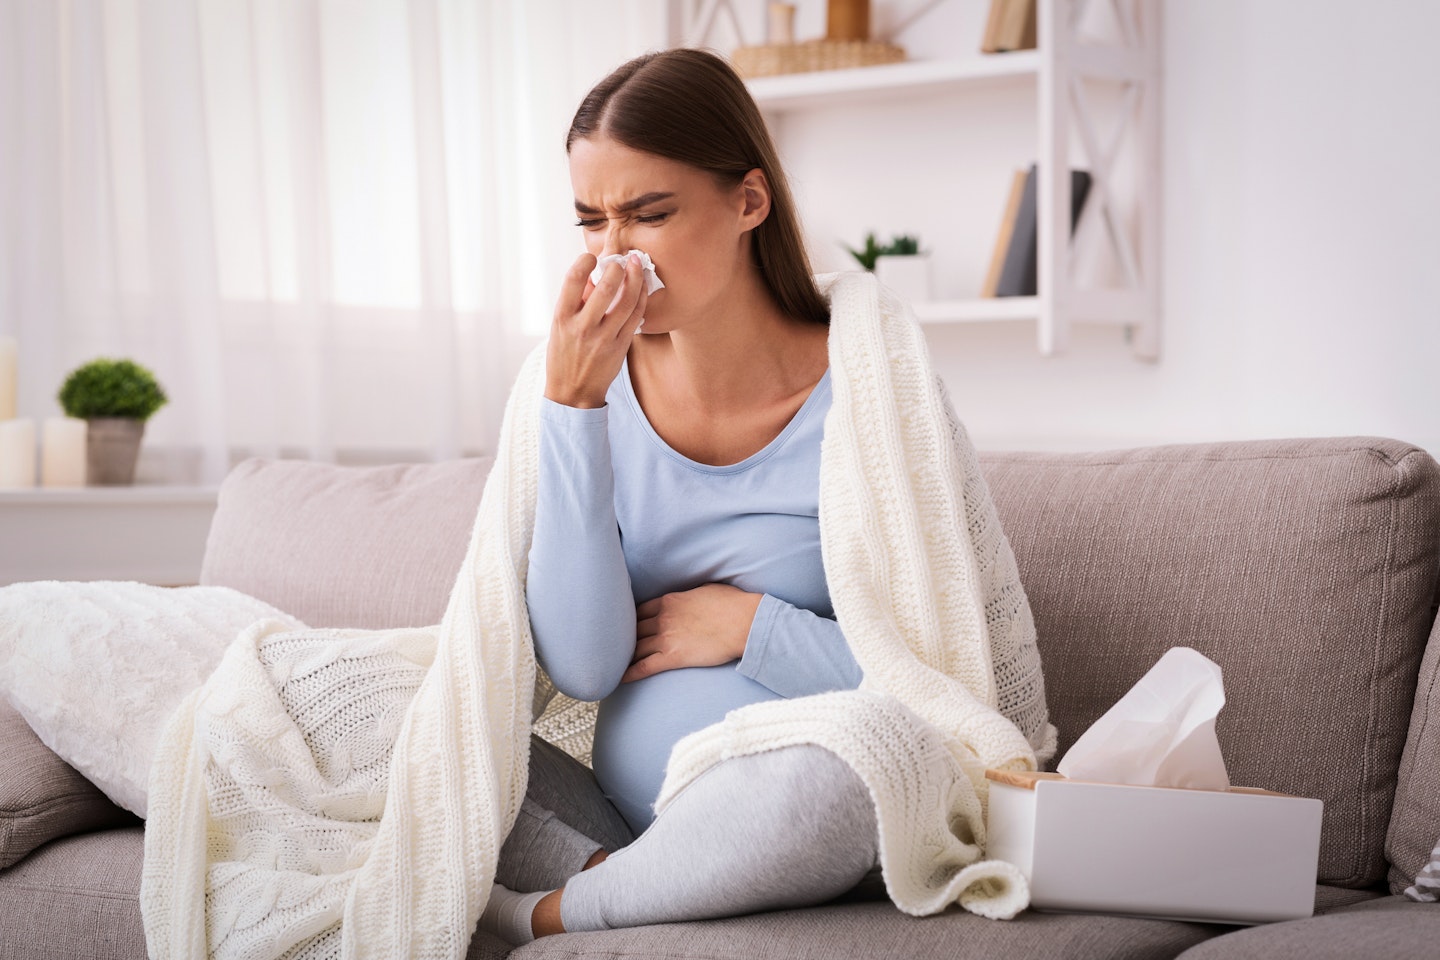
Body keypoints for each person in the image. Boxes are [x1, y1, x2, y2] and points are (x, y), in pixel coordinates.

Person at [474, 47, 888, 946]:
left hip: (796, 805)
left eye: (649, 215)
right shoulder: (584, 388)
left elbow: (939, 687)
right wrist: (574, 407)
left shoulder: (874, 388)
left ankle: (547, 913)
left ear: (748, 201)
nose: (616, 255)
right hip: (610, 815)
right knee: (389, 711)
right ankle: (634, 883)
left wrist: (754, 628)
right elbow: (582, 669)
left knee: (839, 781)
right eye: (591, 221)